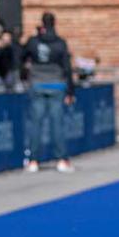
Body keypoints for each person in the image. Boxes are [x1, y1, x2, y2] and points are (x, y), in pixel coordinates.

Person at [22, 12, 75, 173]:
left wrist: (24, 76)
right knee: (57, 123)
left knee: (36, 123)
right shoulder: (60, 43)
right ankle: (61, 159)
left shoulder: (33, 41)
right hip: (57, 85)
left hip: (37, 83)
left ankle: (33, 160)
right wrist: (70, 90)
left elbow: (21, 57)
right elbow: (67, 67)